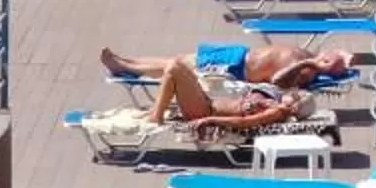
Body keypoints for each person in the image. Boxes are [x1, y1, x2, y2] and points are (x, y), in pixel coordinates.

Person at [134, 60, 316, 131]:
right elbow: (279, 80)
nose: (292, 93)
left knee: (174, 69)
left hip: (204, 111)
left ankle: (155, 117)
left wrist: (210, 120)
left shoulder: (277, 111)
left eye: (295, 96)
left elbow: (244, 123)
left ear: (295, 106)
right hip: (207, 102)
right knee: (177, 67)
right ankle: (155, 112)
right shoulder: (274, 101)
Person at [103, 43, 359, 92]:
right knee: (178, 59)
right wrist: (343, 59)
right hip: (239, 53)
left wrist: (310, 63)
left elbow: (278, 81)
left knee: (177, 67)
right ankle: (127, 62)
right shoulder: (313, 58)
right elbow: (344, 55)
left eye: (329, 59)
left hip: (234, 68)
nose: (326, 54)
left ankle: (124, 66)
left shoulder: (307, 71)